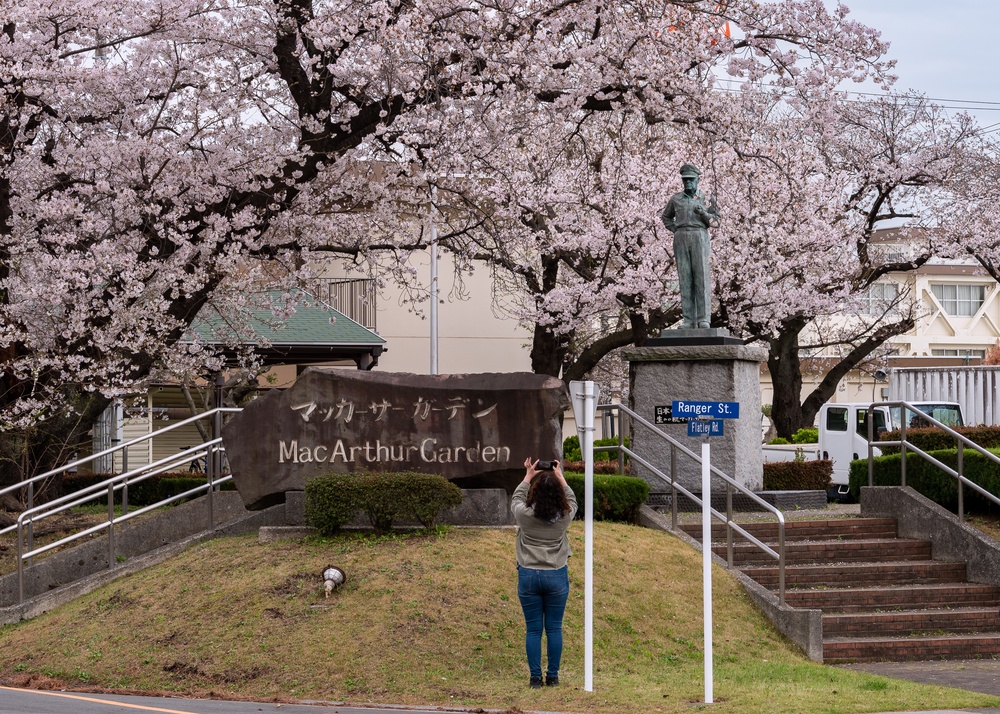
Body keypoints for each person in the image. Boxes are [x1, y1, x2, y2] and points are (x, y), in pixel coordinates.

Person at [510, 457, 578, 689]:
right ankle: (554, 677)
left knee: (533, 630)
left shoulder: (524, 515)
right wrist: (560, 477)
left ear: (535, 493)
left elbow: (517, 498)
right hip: (556, 574)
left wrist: (529, 475)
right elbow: (571, 499)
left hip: (528, 574)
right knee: (554, 628)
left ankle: (535, 679)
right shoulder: (565, 516)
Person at [660, 163, 720, 329]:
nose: (688, 183)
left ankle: (703, 319)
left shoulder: (706, 198)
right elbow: (666, 217)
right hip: (681, 237)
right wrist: (676, 230)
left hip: (699, 235)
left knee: (701, 277)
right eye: (685, 180)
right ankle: (688, 319)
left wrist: (704, 214)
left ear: (698, 179)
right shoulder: (676, 199)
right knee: (685, 278)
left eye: (691, 180)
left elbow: (716, 222)